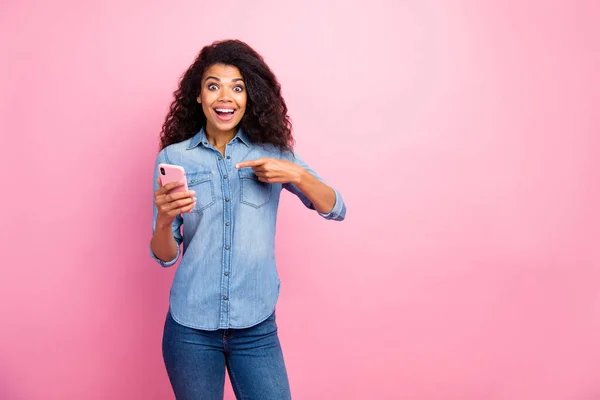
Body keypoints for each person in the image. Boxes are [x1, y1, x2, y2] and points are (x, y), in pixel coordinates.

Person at [150, 39, 346, 400]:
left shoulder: (272, 153)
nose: (225, 97)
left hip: (256, 328)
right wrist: (164, 221)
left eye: (237, 87)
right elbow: (165, 256)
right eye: (214, 86)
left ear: (249, 95)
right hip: (190, 329)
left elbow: (336, 207)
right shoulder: (174, 157)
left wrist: (295, 174)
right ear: (198, 96)